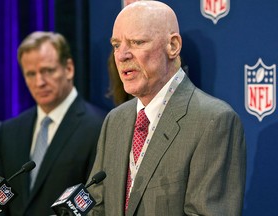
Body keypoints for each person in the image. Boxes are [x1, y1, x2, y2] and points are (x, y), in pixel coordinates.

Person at [87, 1, 246, 216]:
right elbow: (97, 205)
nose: (122, 55)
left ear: (173, 46)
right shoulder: (115, 120)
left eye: (136, 42)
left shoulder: (213, 121)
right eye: (116, 45)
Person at [0, 31, 105, 216]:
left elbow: (99, 202)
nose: (39, 82)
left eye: (47, 71)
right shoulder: (9, 131)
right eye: (30, 74)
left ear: (69, 68)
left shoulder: (100, 127)